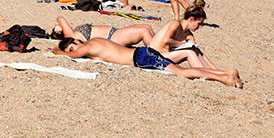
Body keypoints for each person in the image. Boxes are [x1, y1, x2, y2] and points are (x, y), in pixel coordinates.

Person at [53, 37, 242, 88]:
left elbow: (73, 56)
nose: (75, 50)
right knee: (181, 69)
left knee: (182, 72)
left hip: (141, 57)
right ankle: (224, 73)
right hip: (142, 53)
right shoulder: (97, 41)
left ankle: (225, 77)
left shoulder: (88, 45)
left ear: (76, 42)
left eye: (73, 47)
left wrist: (59, 51)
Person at [51, 15, 153, 46]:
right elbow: (60, 18)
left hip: (114, 33)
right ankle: (156, 54)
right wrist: (57, 26)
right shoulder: (71, 36)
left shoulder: (74, 32)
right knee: (144, 31)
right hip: (112, 38)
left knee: (147, 27)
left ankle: (160, 49)